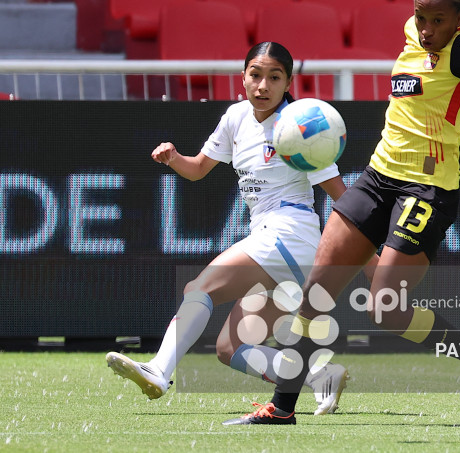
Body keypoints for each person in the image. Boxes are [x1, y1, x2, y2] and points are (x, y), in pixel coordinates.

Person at [228, 0, 460, 426]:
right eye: (422, 17)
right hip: (376, 179)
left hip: (427, 190)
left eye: (438, 20)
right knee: (314, 296)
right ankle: (282, 408)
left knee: (386, 307)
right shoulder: (413, 32)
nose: (427, 28)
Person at [105, 41, 351, 416]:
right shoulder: (235, 117)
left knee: (199, 288)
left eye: (274, 77)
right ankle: (320, 375)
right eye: (255, 75)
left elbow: (342, 197)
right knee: (230, 349)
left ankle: (158, 371)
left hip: (290, 233)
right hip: (274, 242)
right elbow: (199, 168)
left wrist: (368, 252)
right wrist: (174, 159)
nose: (263, 85)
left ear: (288, 83)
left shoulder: (299, 125)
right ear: (243, 77)